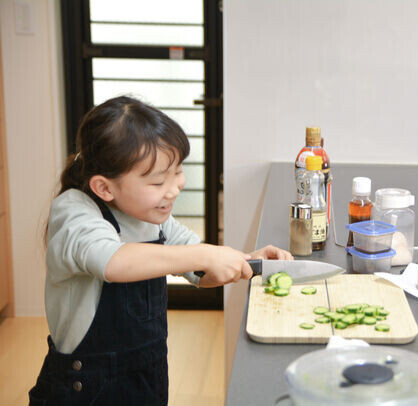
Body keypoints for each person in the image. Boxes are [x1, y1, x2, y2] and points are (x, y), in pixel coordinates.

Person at [29, 96, 293, 405]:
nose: (174, 188)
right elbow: (113, 262)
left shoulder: (149, 215)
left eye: (178, 171)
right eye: (157, 182)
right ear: (105, 187)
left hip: (146, 382)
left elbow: (198, 269)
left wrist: (245, 260)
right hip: (85, 391)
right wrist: (204, 255)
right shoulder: (74, 213)